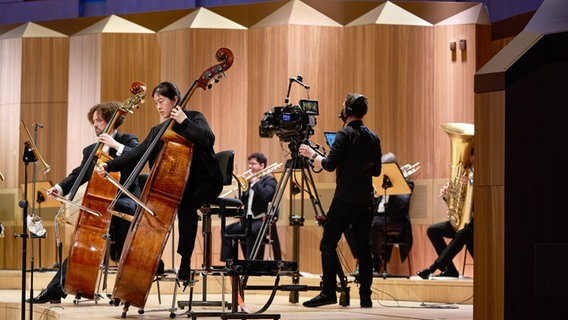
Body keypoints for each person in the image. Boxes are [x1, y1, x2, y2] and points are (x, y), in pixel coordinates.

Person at [96, 81, 223, 283]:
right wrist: (110, 166)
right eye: (155, 103)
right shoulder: (159, 130)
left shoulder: (194, 117)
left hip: (205, 181)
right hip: (180, 184)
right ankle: (149, 262)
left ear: (175, 100)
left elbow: (208, 139)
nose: (159, 106)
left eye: (162, 101)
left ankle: (185, 262)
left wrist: (184, 121)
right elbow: (140, 152)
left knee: (187, 204)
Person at [28, 101, 140, 304]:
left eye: (99, 120)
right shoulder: (91, 150)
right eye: (93, 121)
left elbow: (138, 156)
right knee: (82, 243)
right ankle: (57, 289)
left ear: (112, 121)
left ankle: (127, 279)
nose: (95, 125)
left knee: (119, 212)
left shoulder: (128, 140)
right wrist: (60, 188)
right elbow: (78, 174)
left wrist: (114, 145)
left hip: (124, 202)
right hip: (99, 207)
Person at [298, 93, 381, 308]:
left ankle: (328, 292)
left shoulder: (344, 134)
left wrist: (310, 153)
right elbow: (377, 171)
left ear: (348, 110)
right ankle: (365, 298)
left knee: (328, 243)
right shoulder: (374, 137)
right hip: (366, 200)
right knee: (364, 250)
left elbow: (329, 165)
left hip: (345, 199)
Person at [345, 152, 414, 275]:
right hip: (377, 217)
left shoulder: (407, 183)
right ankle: (362, 258)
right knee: (350, 224)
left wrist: (393, 186)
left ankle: (376, 264)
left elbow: (403, 202)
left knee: (373, 225)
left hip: (396, 221)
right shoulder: (379, 182)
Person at [417, 150, 474, 279]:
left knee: (463, 233)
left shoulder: (481, 175)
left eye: (468, 157)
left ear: (473, 157)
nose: (466, 161)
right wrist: (449, 196)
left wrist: (471, 185)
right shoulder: (465, 174)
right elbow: (458, 205)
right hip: (464, 221)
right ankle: (450, 269)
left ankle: (433, 267)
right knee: (433, 230)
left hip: (478, 223)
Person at [220, 152, 280, 261]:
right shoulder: (248, 183)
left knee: (251, 231)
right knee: (227, 230)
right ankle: (229, 262)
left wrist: (255, 182)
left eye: (253, 164)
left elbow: (266, 196)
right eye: (249, 164)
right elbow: (242, 202)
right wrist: (239, 193)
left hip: (261, 220)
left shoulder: (269, 181)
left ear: (262, 166)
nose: (250, 167)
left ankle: (250, 263)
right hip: (247, 220)